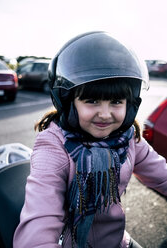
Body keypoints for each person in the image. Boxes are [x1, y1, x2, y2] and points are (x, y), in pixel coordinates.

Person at [13, 31, 167, 248]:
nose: (105, 114)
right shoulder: (53, 147)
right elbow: (39, 222)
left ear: (130, 104)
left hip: (117, 240)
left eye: (115, 101)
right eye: (92, 100)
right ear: (68, 102)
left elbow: (162, 175)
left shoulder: (127, 138)